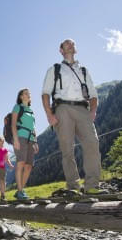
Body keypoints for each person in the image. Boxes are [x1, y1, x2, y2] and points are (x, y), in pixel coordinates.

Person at [41, 38, 102, 194]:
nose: (70, 45)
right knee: (67, 149)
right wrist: (49, 114)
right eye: (66, 43)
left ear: (75, 49)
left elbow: (93, 95)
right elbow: (45, 93)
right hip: (62, 108)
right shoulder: (54, 69)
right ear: (61, 50)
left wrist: (93, 111)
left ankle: (92, 186)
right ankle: (73, 187)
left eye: (72, 43)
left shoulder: (84, 71)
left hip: (83, 109)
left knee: (92, 143)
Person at [12, 88, 39, 199]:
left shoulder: (31, 111)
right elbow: (13, 125)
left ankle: (20, 190)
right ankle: (20, 191)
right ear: (21, 96)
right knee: (20, 163)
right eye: (26, 93)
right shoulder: (17, 107)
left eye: (29, 94)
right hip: (21, 137)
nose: (28, 95)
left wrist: (35, 141)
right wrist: (16, 140)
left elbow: (33, 128)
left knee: (28, 166)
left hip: (31, 139)